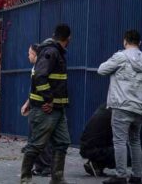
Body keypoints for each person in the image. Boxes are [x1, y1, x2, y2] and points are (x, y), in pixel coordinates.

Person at [19, 24, 71, 184]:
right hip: (45, 109)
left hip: (57, 109)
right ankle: (25, 179)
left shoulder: (52, 51)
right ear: (68, 39)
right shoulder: (51, 52)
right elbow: (40, 76)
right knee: (37, 145)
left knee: (62, 142)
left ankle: (57, 179)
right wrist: (49, 99)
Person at [98, 30, 142, 184]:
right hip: (140, 106)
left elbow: (101, 70)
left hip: (122, 105)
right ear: (140, 43)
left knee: (119, 141)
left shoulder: (120, 56)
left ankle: (120, 176)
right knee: (135, 140)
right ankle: (137, 176)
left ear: (125, 41)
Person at [20, 44, 52, 177]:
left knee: (40, 138)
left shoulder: (41, 69)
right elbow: (33, 89)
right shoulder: (35, 68)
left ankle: (46, 166)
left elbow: (44, 89)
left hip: (41, 108)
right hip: (35, 106)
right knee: (34, 137)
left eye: (29, 53)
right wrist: (27, 103)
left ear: (35, 54)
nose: (28, 56)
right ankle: (39, 166)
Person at [80, 104, 116, 177]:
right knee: (123, 152)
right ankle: (95, 164)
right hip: (92, 149)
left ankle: (96, 164)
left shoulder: (106, 108)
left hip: (87, 147)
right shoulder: (113, 113)